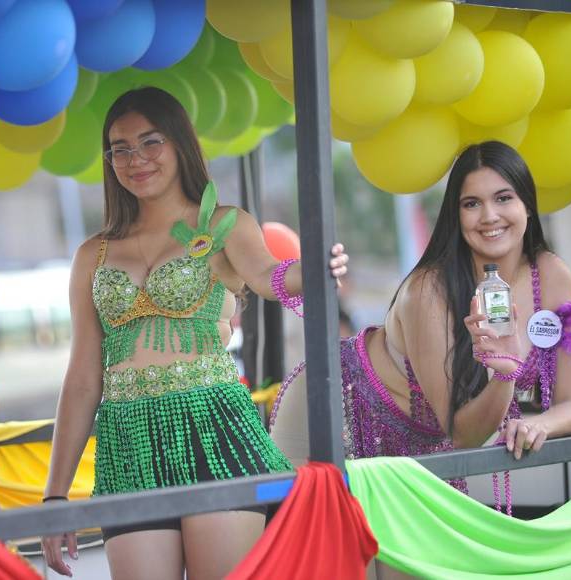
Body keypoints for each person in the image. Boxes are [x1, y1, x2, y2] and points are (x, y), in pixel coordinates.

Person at [40, 86, 348, 580]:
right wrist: (55, 496)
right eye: (120, 149)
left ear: (179, 142)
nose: (136, 159)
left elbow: (268, 275)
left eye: (150, 141)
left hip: (214, 429)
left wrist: (312, 270)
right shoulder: (92, 254)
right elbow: (81, 379)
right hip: (128, 444)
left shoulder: (225, 225)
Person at [340, 141, 571, 476]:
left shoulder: (552, 276)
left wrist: (540, 424)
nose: (489, 216)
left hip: (431, 461)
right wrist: (505, 376)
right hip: (343, 423)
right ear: (456, 216)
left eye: (503, 198)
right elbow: (460, 437)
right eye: (472, 203)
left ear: (528, 205)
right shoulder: (427, 290)